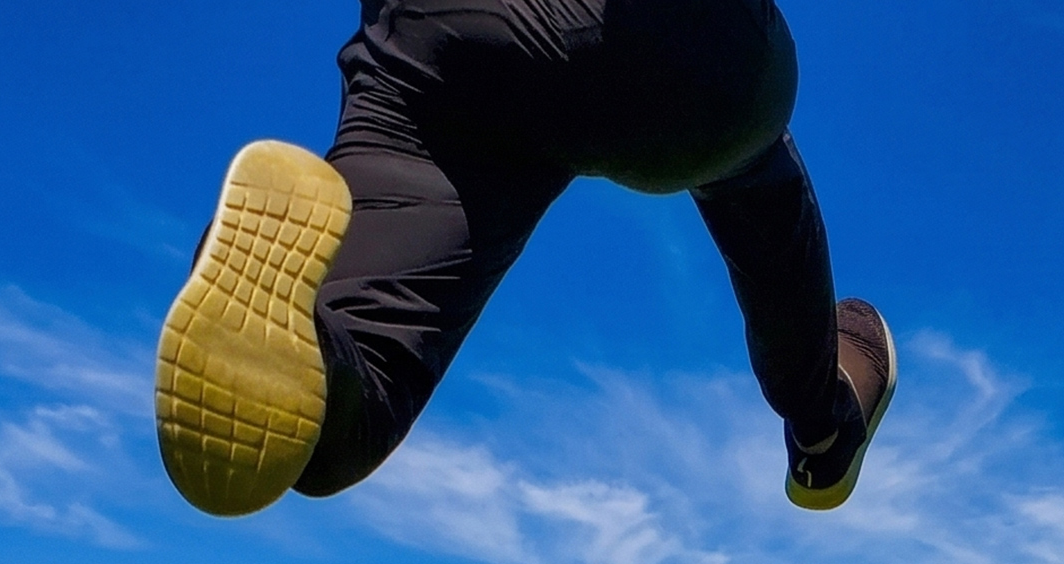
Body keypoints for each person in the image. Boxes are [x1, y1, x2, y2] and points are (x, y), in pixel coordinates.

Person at [154, 0, 895, 520]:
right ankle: (821, 427)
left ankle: (304, 344)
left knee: (344, 397)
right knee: (748, 158)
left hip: (437, 47)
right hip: (680, 53)